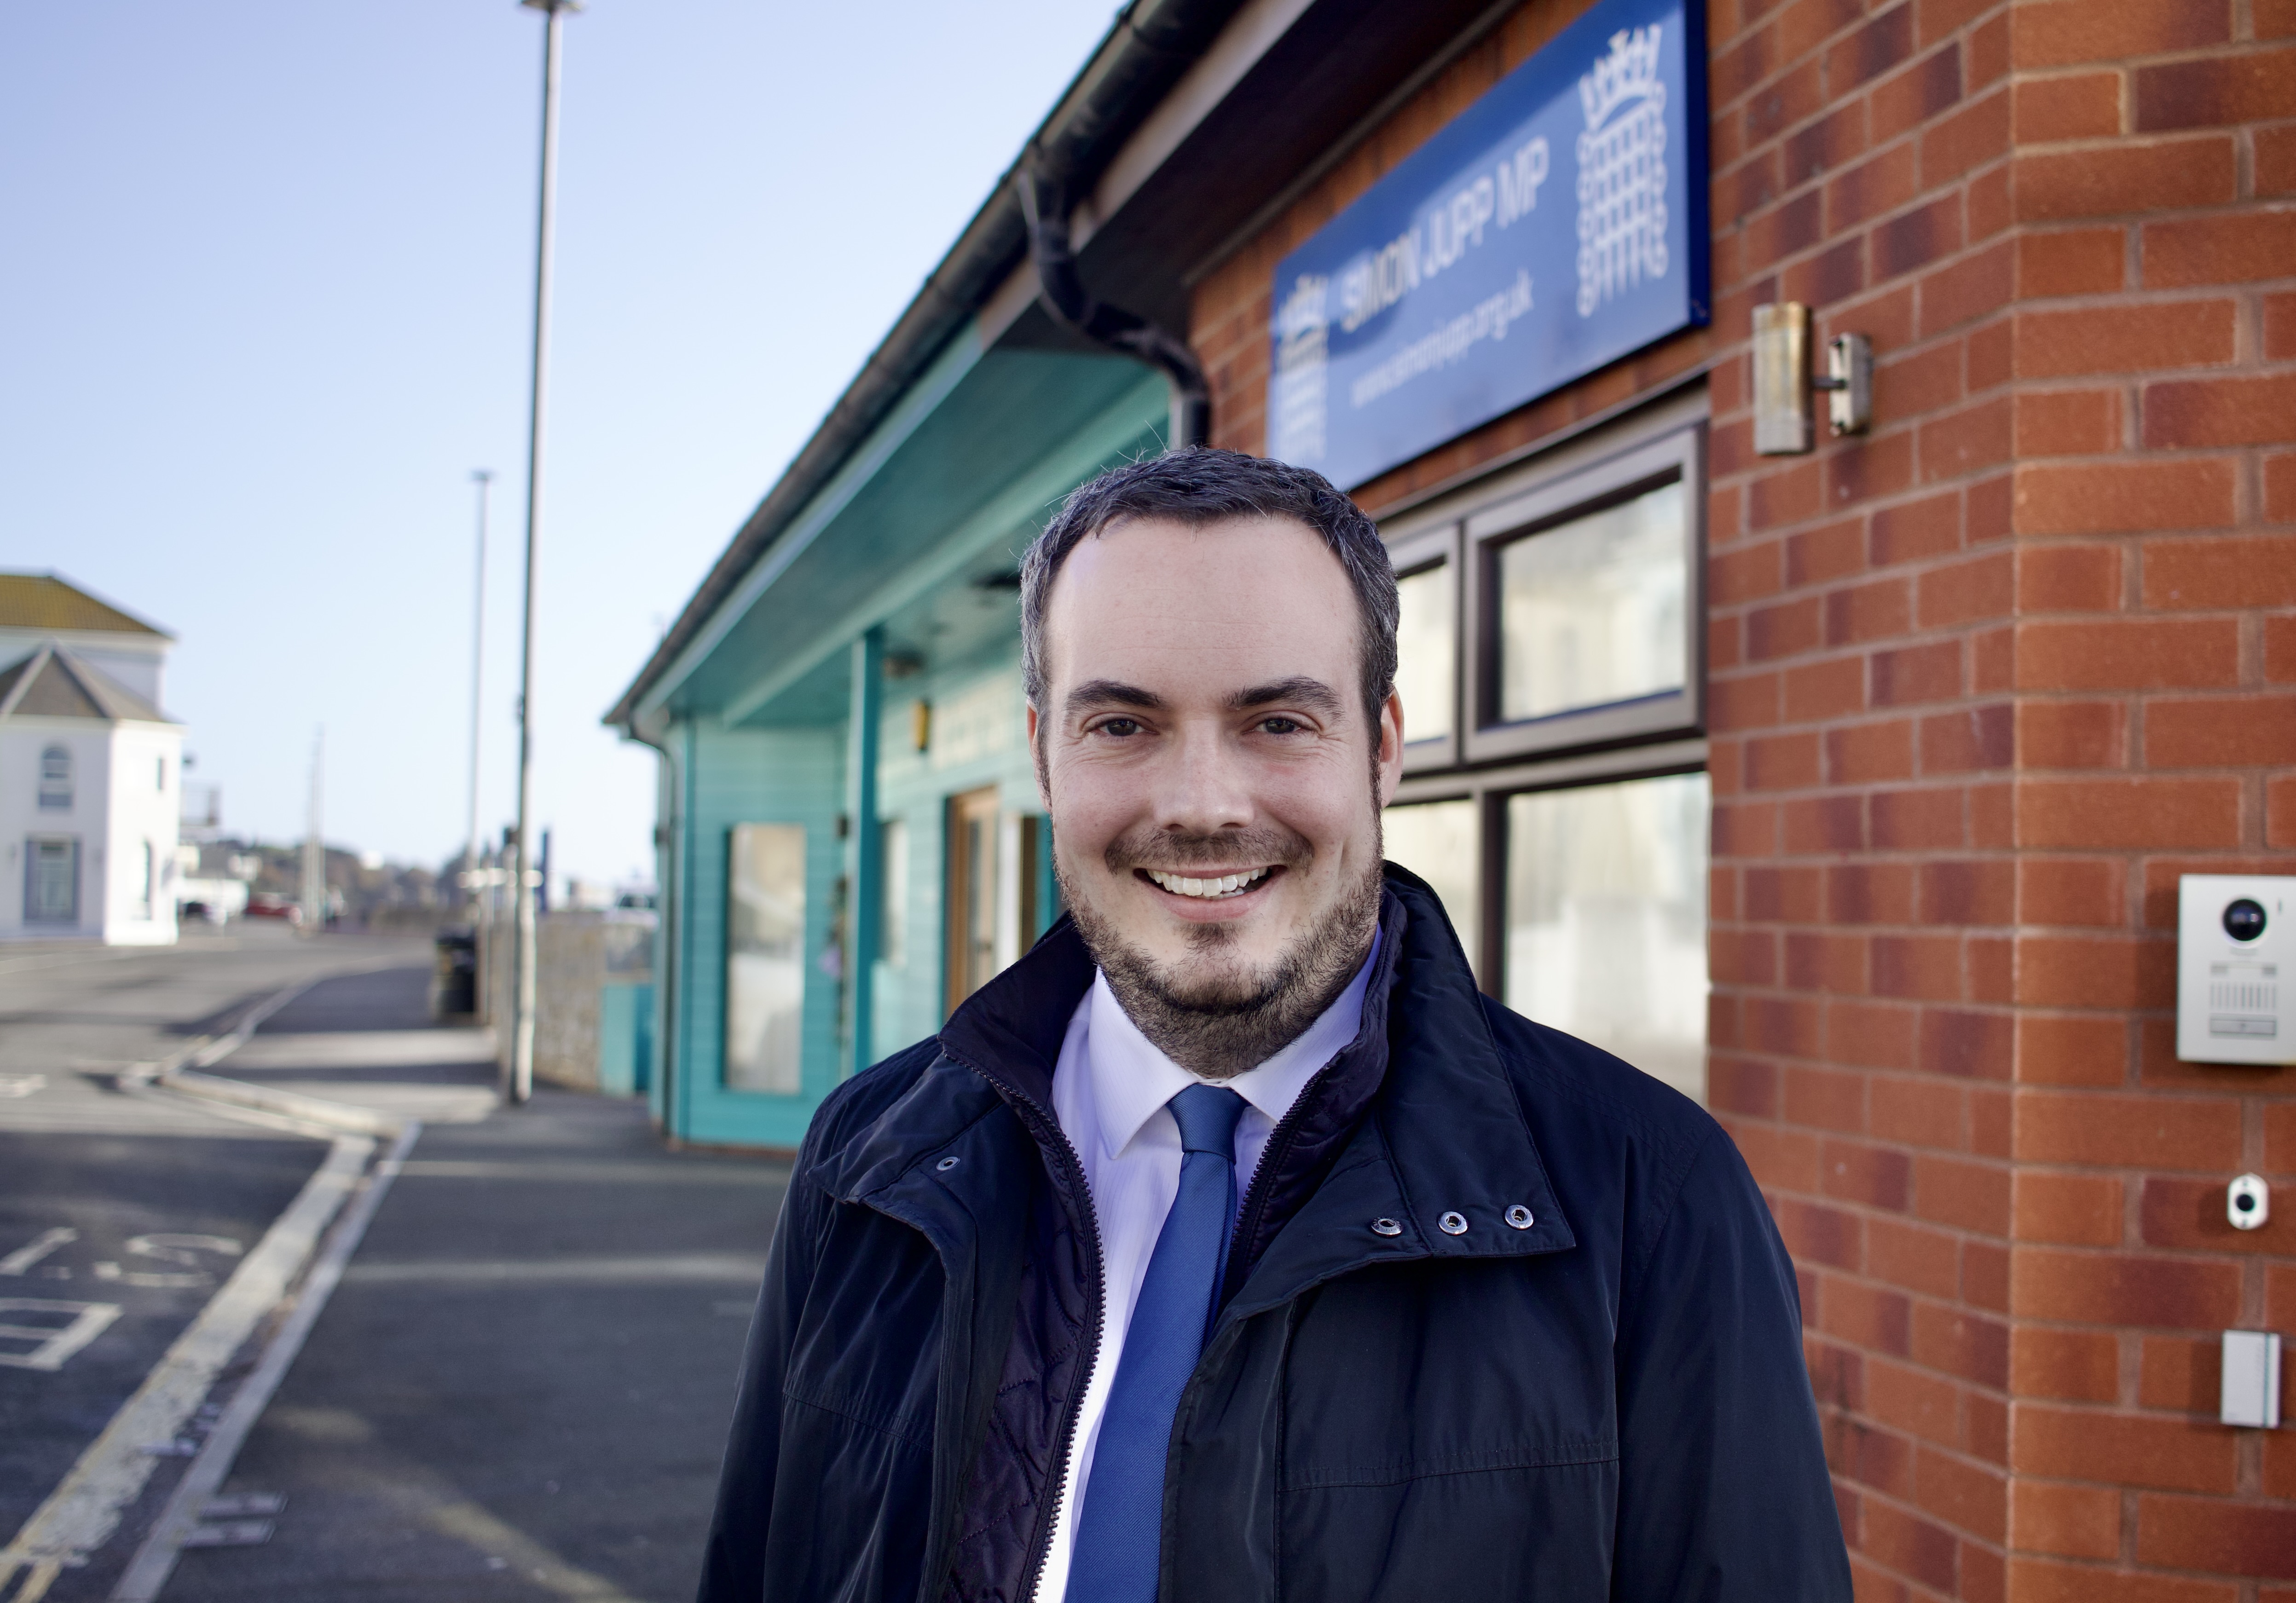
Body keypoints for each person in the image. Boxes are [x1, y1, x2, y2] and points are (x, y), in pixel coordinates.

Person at [698, 449, 1851, 1603]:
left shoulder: (1652, 1198)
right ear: (1046, 749)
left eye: (1279, 721)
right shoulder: (868, 1158)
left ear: (1384, 746)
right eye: (1122, 724)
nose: (1203, 803)